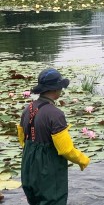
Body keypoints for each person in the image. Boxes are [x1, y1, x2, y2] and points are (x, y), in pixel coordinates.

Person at [16, 68, 90, 205]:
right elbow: (66, 150)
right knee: (53, 200)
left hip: (28, 165)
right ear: (56, 90)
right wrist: (83, 160)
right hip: (48, 168)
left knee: (34, 201)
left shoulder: (27, 109)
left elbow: (22, 139)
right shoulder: (56, 114)